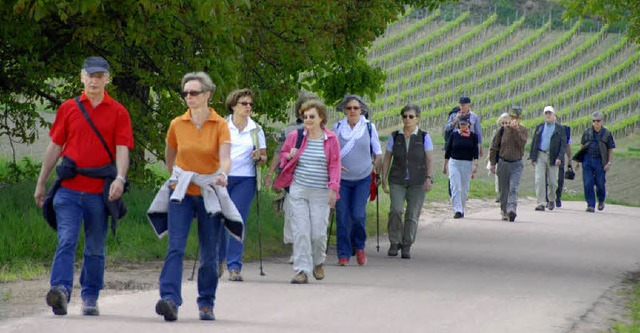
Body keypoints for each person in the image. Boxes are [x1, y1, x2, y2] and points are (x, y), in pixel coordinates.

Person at [33, 56, 134, 316]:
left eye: (100, 76)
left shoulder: (119, 112)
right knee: (66, 239)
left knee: (95, 248)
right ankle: (60, 291)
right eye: (90, 75)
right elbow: (55, 146)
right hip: (68, 189)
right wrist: (41, 181)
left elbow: (122, 149)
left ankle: (90, 296)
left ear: (107, 79)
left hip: (99, 192)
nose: (94, 80)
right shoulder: (68, 108)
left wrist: (120, 179)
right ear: (82, 77)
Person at [155, 71, 231, 321]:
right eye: (186, 93)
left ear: (207, 95)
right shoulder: (177, 123)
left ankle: (206, 302)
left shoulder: (219, 124)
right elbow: (170, 153)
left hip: (209, 190)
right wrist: (174, 178)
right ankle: (169, 299)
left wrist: (223, 174)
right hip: (183, 192)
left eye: (194, 92)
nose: (189, 97)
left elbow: (225, 157)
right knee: (175, 247)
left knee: (209, 253)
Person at [274, 100, 341, 284]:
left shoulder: (331, 139)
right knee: (301, 231)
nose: (308, 120)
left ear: (321, 118)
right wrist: (289, 155)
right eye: (305, 117)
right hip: (299, 190)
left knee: (318, 234)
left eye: (312, 116)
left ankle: (318, 262)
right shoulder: (296, 136)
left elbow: (335, 164)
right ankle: (301, 270)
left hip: (321, 191)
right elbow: (283, 159)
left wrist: (334, 189)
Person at [217, 88, 267, 282]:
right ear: (233, 106)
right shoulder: (221, 125)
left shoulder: (256, 129)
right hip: (222, 177)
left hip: (245, 179)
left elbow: (263, 157)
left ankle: (234, 266)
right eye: (244, 104)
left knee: (237, 220)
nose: (248, 107)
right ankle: (218, 259)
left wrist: (259, 157)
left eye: (250, 104)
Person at [264, 91, 318, 262]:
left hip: (314, 180)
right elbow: (278, 152)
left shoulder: (322, 131)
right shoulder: (289, 130)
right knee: (293, 215)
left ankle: (306, 250)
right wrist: (270, 174)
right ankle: (298, 250)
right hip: (292, 180)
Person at [333, 95, 383, 266]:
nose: (352, 111)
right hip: (342, 181)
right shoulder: (338, 127)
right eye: (349, 108)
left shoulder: (369, 128)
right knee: (342, 216)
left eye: (355, 108)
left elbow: (378, 153)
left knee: (357, 214)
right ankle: (343, 254)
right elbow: (331, 153)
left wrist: (374, 169)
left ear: (361, 110)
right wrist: (335, 166)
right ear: (344, 111)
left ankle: (359, 246)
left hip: (362, 179)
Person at [381, 104, 434, 259]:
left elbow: (429, 158)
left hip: (418, 181)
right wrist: (383, 177)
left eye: (411, 116)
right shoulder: (395, 136)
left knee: (412, 214)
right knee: (396, 210)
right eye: (404, 116)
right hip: (397, 179)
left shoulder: (424, 136)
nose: (407, 119)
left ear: (417, 118)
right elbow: (387, 157)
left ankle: (406, 244)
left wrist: (429, 178)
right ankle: (394, 241)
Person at [489, 107, 528, 222]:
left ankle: (512, 209)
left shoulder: (523, 130)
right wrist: (492, 163)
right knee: (503, 189)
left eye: (517, 118)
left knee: (513, 188)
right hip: (503, 163)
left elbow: (521, 144)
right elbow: (494, 147)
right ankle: (504, 210)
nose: (514, 120)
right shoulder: (501, 130)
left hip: (517, 163)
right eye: (512, 118)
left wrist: (515, 130)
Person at [574, 112, 615, 212]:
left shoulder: (607, 134)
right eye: (594, 121)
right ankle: (590, 205)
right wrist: (578, 162)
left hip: (600, 161)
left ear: (602, 121)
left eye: (598, 121)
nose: (596, 123)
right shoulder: (587, 132)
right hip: (587, 160)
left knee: (600, 183)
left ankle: (601, 200)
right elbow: (582, 146)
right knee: (588, 183)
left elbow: (610, 149)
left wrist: (608, 163)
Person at [529, 106, 566, 211]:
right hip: (540, 155)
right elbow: (534, 141)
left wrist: (560, 157)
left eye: (550, 113)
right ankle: (541, 202)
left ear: (554, 115)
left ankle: (551, 199)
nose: (548, 115)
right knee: (539, 179)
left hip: (553, 156)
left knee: (553, 182)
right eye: (546, 113)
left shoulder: (560, 129)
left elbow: (563, 145)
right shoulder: (540, 127)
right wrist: (533, 156)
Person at [443, 116, 479, 219]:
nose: (463, 126)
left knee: (464, 188)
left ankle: (462, 208)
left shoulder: (473, 136)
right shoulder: (454, 135)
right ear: (459, 124)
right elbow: (448, 150)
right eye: (461, 124)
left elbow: (475, 152)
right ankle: (457, 210)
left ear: (469, 124)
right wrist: (445, 165)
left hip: (467, 163)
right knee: (455, 187)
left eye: (465, 124)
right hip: (454, 163)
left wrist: (475, 165)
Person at [486, 113, 511, 202]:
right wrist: (489, 155)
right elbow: (492, 145)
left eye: (507, 123)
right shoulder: (496, 132)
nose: (505, 125)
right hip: (499, 157)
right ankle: (500, 194)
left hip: (509, 158)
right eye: (503, 123)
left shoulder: (514, 132)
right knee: (498, 176)